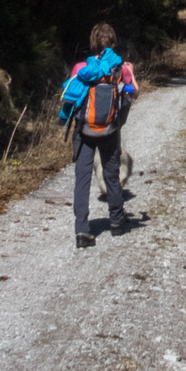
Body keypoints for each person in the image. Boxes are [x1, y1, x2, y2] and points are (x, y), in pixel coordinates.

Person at [69, 21, 135, 249]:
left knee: (83, 177)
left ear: (92, 43)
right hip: (109, 129)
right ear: (113, 43)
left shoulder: (80, 68)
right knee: (111, 172)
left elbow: (72, 97)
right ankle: (116, 221)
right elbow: (133, 92)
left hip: (84, 130)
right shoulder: (121, 69)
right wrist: (131, 73)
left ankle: (82, 231)